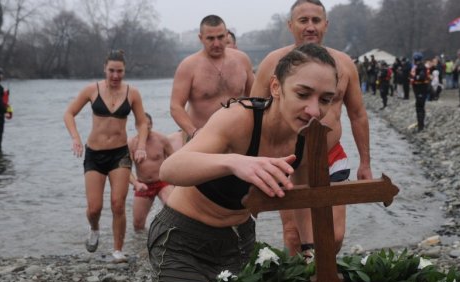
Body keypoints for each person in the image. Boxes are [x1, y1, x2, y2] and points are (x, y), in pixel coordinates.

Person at [148, 43, 338, 282]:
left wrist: (310, 251)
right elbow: (171, 169)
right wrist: (235, 162)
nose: (314, 110)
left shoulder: (310, 136)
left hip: (240, 246)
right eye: (303, 94)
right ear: (276, 87)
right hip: (182, 242)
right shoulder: (240, 118)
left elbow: (302, 195)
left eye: (325, 99)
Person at [251, 0, 372, 256]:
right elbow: (254, 117)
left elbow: (358, 115)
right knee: (295, 236)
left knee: (334, 234)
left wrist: (365, 162)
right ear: (290, 25)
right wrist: (255, 166)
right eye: (303, 21)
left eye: (316, 20)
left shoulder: (344, 63)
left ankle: (323, 280)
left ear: (325, 25)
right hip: (289, 159)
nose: (310, 27)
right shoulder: (273, 63)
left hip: (330, 156)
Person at [63, 49, 149, 263]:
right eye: (111, 71)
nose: (115, 76)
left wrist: (141, 145)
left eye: (120, 71)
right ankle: (94, 228)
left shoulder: (132, 93)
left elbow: (142, 122)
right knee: (94, 208)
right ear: (105, 69)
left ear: (124, 70)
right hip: (94, 155)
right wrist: (75, 137)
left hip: (119, 155)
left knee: (118, 204)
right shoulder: (92, 90)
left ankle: (118, 250)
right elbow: (69, 113)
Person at [169, 15, 254, 144]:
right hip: (201, 137)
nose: (216, 44)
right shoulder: (188, 66)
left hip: (237, 135)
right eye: (210, 38)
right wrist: (193, 131)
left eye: (220, 37)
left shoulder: (242, 60)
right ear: (201, 38)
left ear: (226, 35)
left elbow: (256, 97)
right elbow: (176, 106)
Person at [128, 113, 174, 232]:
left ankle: (171, 234)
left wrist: (174, 180)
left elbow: (174, 159)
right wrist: (135, 184)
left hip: (162, 182)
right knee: (137, 225)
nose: (146, 128)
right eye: (143, 125)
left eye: (148, 125)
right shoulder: (132, 144)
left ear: (152, 125)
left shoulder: (161, 139)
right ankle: (142, 247)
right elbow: (125, 169)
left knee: (174, 210)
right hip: (143, 185)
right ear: (136, 126)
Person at [410, 52, 430, 132]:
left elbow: (421, 77)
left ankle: (421, 126)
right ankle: (420, 124)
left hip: (421, 88)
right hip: (418, 88)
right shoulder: (417, 67)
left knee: (420, 107)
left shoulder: (421, 67)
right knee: (418, 107)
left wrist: (414, 78)